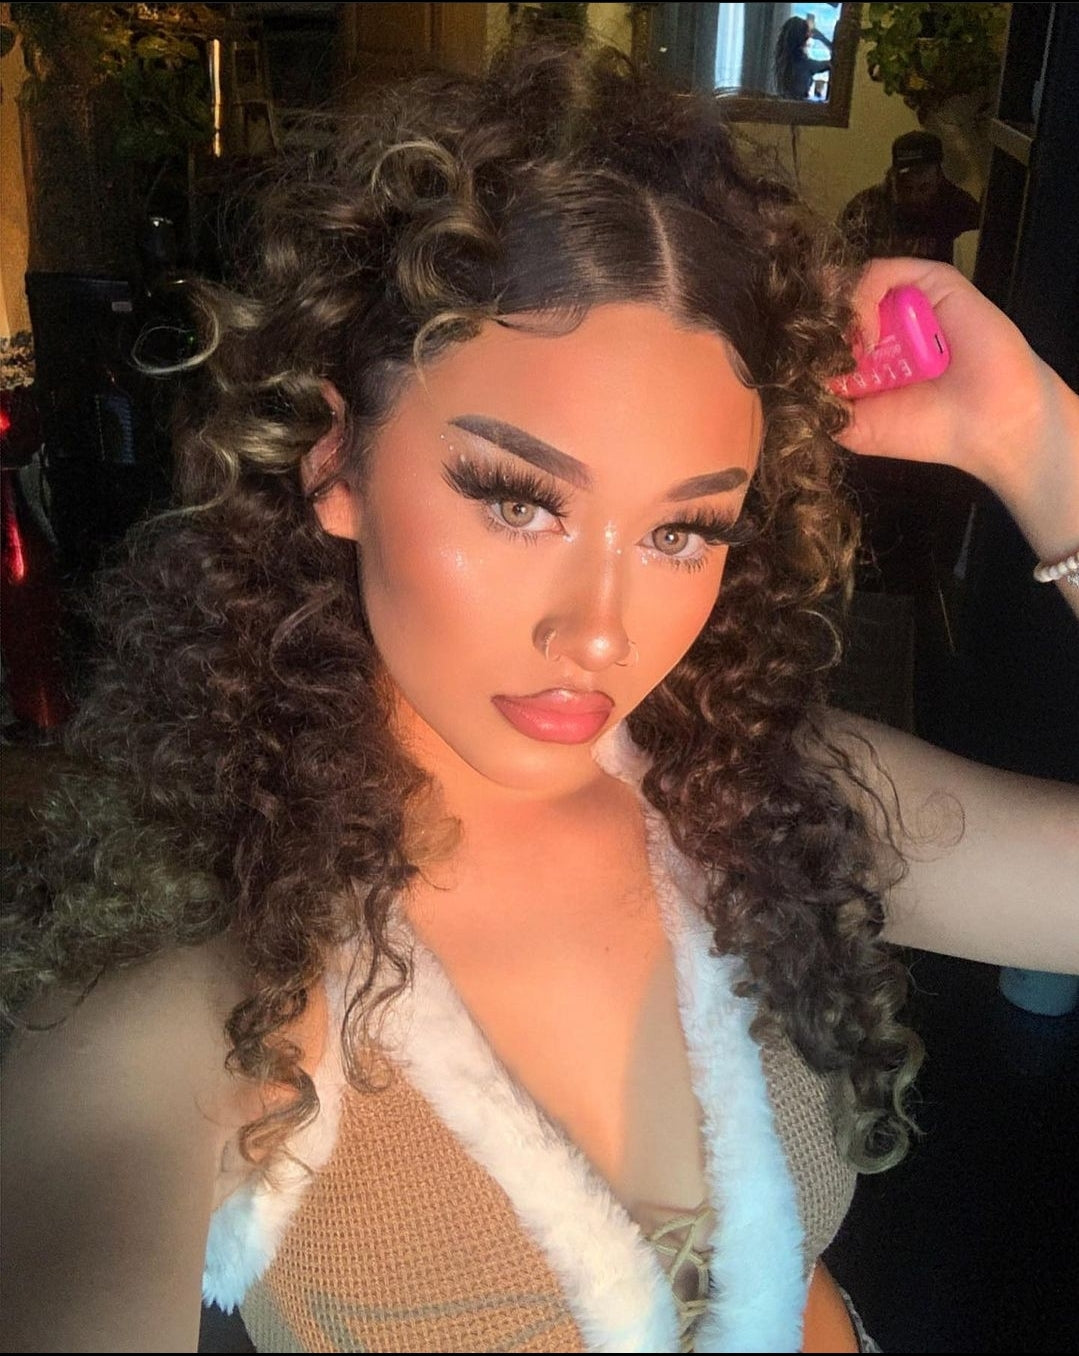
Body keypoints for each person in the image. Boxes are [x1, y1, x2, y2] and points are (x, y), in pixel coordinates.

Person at [1, 41, 1077, 1356]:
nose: (600, 631)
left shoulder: (766, 803)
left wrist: (1037, 443)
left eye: (681, 531)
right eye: (517, 503)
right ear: (336, 460)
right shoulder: (198, 985)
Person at [838, 131, 982, 267]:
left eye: (924, 188)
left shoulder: (961, 208)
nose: (914, 196)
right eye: (906, 188)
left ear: (939, 176)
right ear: (893, 176)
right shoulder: (865, 207)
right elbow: (843, 262)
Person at [774, 14, 832, 100]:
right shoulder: (804, 64)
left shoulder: (784, 61)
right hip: (800, 106)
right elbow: (835, 62)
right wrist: (821, 38)